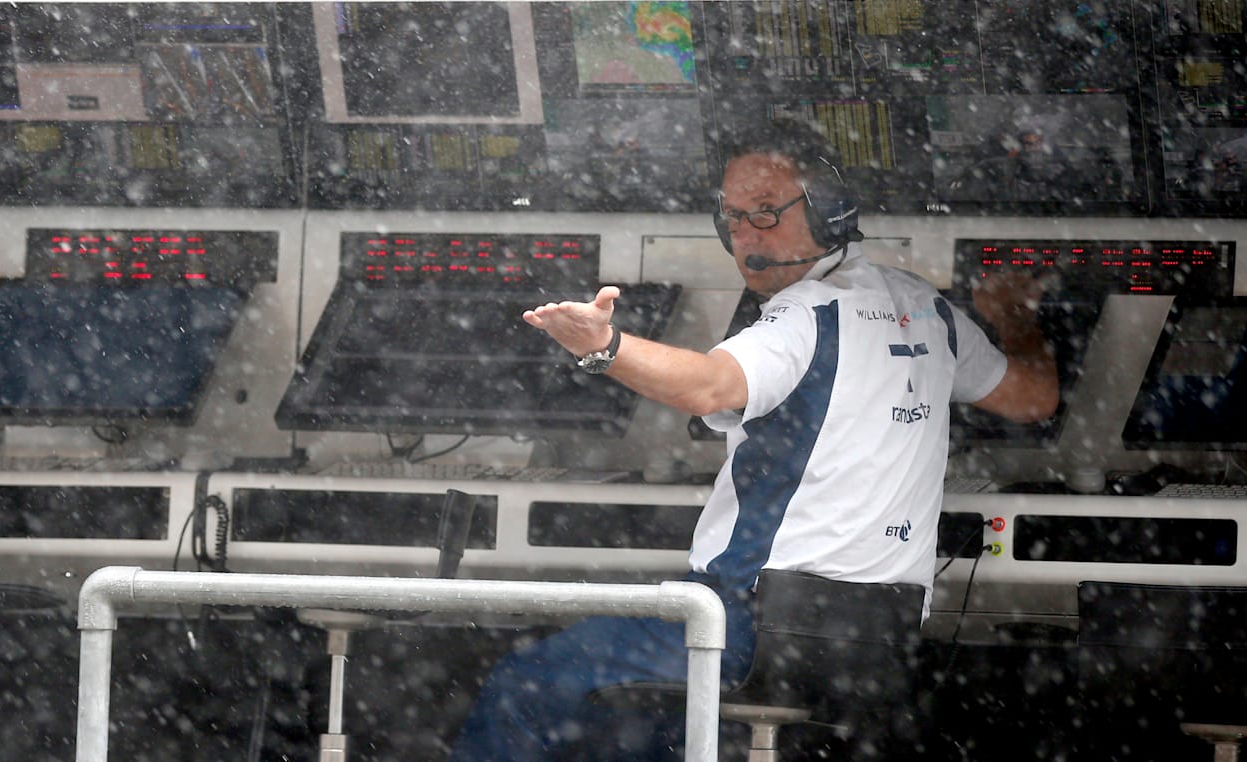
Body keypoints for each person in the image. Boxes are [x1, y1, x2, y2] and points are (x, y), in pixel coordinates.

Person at [446, 119, 1060, 761]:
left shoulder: (804, 316)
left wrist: (605, 348)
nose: (742, 235)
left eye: (765, 214)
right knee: (650, 731)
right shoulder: (928, 310)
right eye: (732, 216)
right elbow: (1034, 398)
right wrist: (1016, 317)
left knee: (529, 682)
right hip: (876, 639)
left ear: (830, 212)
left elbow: (709, 387)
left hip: (750, 624)